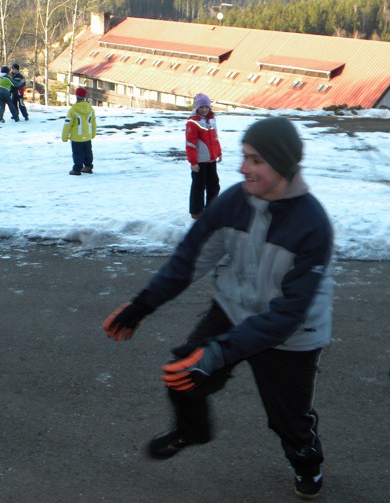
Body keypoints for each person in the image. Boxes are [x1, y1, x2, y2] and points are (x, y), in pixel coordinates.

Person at [103, 116, 334, 500]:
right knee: (183, 373)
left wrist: (217, 353)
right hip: (234, 309)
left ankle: (306, 460)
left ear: (283, 164)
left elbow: (290, 312)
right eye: (245, 157)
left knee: (288, 420)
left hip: (292, 335)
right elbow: (188, 261)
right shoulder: (233, 201)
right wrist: (142, 305)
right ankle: (192, 430)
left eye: (256, 160)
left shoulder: (313, 225)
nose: (243, 168)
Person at [186, 93, 222, 219]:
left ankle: (211, 209)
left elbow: (215, 138)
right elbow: (190, 143)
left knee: (214, 184)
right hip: (200, 161)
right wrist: (193, 162)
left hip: (211, 159)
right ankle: (196, 212)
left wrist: (219, 152)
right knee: (199, 186)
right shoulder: (193, 122)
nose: (204, 110)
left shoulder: (211, 120)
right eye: (201, 107)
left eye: (206, 107)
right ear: (197, 108)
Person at [61, 86, 96, 176]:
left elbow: (68, 124)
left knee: (77, 153)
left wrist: (64, 136)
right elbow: (93, 122)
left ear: (76, 96)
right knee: (88, 152)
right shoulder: (90, 108)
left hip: (76, 137)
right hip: (87, 135)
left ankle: (77, 169)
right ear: (85, 97)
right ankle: (88, 167)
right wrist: (93, 133)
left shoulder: (73, 109)